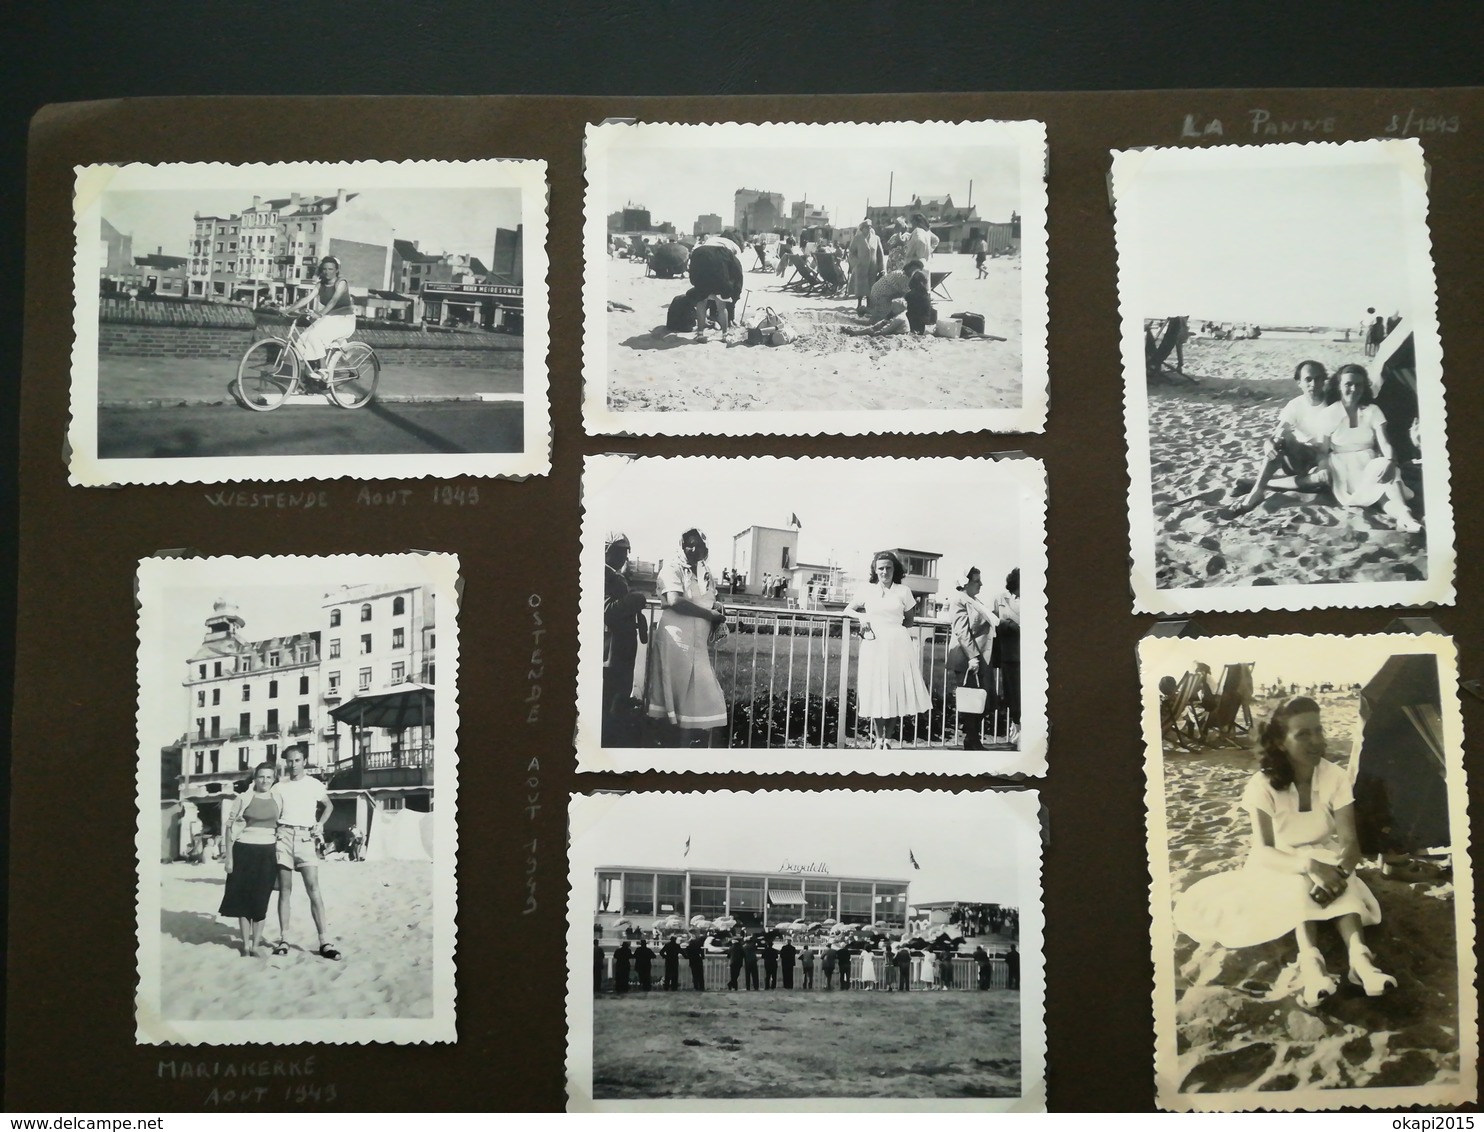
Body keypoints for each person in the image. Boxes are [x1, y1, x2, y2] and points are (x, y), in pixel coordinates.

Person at [1173, 696, 1393, 1008]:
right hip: (1279, 862)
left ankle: (1361, 962)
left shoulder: (1335, 776)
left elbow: (1350, 845)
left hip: (1328, 858)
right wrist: (1308, 866)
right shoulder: (1262, 784)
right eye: (1303, 734)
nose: (1316, 741)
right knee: (1298, 882)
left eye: (1318, 730)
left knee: (1336, 870)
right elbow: (1263, 851)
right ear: (1280, 741)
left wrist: (1338, 876)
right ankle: (1312, 964)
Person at [646, 528, 729, 746]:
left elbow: (707, 597)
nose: (693, 549)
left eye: (698, 545)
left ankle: (683, 753)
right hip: (676, 641)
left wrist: (717, 605)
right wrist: (708, 613)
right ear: (681, 546)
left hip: (697, 643)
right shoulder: (672, 568)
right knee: (675, 697)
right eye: (688, 545)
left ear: (706, 549)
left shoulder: (705, 572)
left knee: (694, 699)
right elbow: (674, 600)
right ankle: (666, 753)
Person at [1316, 364, 1422, 533]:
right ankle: (1405, 517)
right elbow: (1322, 451)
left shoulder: (1372, 410)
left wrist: (1391, 461)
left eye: (1359, 384)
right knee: (1383, 490)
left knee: (1384, 472)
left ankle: (1405, 518)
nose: (1354, 389)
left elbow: (1385, 443)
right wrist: (1323, 468)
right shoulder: (1329, 413)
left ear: (1365, 387)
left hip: (1369, 462)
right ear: (1339, 386)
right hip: (1342, 468)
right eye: (1348, 384)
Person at [845, 551, 933, 749]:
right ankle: (878, 739)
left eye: (888, 568)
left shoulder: (903, 591)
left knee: (895, 688)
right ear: (875, 571)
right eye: (880, 568)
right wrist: (862, 618)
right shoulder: (867, 590)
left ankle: (888, 739)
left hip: (898, 644)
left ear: (895, 569)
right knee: (877, 689)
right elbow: (848, 609)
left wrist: (893, 627)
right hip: (874, 644)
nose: (884, 572)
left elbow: (909, 620)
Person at [1226, 361, 1333, 516]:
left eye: (1318, 379)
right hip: (1298, 458)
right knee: (1281, 439)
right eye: (1308, 379)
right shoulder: (1296, 405)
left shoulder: (1332, 404)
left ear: (1324, 380)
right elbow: (1277, 434)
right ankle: (1257, 491)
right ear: (1299, 383)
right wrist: (1268, 445)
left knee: (1322, 479)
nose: (1313, 384)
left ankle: (1257, 484)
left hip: (1322, 461)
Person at [270, 746, 339, 960]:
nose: (293, 765)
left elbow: (328, 806)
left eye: (297, 760)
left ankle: (324, 941)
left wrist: (320, 825)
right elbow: (272, 812)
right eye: (289, 761)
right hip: (283, 836)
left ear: (304, 761)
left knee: (313, 889)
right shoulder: (278, 787)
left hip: (305, 838)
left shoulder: (314, 784)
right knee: (285, 890)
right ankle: (284, 939)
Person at [217, 764, 282, 957]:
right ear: (255, 778)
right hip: (244, 850)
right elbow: (229, 828)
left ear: (274, 779)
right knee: (244, 900)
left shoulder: (278, 798)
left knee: (261, 900)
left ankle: (255, 945)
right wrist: (229, 858)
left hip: (268, 852)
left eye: (269, 777)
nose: (265, 781)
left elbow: (282, 826)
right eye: (261, 777)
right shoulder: (243, 798)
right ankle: (245, 946)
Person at [602, 532, 650, 746]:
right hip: (611, 652)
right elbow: (608, 610)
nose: (623, 557)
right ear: (606, 551)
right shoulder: (603, 574)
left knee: (619, 699)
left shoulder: (615, 576)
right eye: (618, 551)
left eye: (625, 552)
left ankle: (616, 741)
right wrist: (635, 600)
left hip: (622, 650)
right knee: (610, 702)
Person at [947, 567, 999, 751]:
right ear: (965, 583)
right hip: (969, 659)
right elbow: (962, 632)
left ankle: (972, 737)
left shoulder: (974, 601)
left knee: (987, 700)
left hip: (982, 658)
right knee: (973, 700)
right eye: (977, 581)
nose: (981, 584)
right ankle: (971, 739)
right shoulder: (959, 601)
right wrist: (973, 658)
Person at [282, 256, 356, 378]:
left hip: (344, 319)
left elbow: (333, 301)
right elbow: (307, 298)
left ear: (337, 270)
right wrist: (288, 310)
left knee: (315, 337)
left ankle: (323, 369)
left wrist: (319, 314)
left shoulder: (341, 282)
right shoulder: (320, 285)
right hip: (330, 318)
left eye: (331, 269)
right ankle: (310, 371)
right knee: (303, 337)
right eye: (325, 269)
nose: (327, 272)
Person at [686, 236, 744, 341]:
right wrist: (733, 289)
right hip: (720, 275)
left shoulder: (699, 249)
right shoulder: (730, 249)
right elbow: (736, 270)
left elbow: (692, 268)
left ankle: (700, 334)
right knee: (721, 306)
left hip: (702, 263)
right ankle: (724, 335)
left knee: (701, 303)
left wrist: (695, 283)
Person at [991, 569, 1022, 743]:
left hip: (1029, 656)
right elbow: (993, 622)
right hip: (1009, 655)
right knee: (1012, 696)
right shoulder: (1000, 599)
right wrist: (1006, 624)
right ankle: (1016, 729)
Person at [848, 219, 885, 316]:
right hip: (861, 267)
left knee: (871, 287)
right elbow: (851, 252)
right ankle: (859, 304)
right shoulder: (857, 239)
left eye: (870, 227)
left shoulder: (876, 238)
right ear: (862, 228)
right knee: (860, 286)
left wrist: (882, 268)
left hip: (873, 267)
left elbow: (880, 254)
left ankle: (869, 305)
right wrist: (856, 262)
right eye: (866, 227)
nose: (869, 229)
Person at [903, 213, 940, 281]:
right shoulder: (926, 231)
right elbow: (936, 240)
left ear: (915, 222)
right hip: (924, 263)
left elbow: (920, 241)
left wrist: (912, 253)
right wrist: (928, 251)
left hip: (915, 265)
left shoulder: (918, 231)